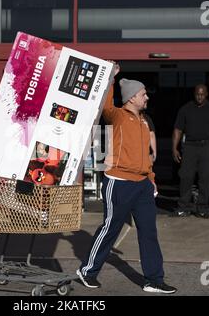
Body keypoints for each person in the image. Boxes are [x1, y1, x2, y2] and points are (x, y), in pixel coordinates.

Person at [76, 63, 177, 294]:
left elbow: (145, 156)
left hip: (142, 184)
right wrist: (111, 78)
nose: (147, 97)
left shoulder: (143, 121)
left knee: (149, 231)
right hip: (118, 182)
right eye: (143, 94)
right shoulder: (118, 116)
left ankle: (153, 280)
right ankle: (88, 270)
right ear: (132, 97)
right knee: (111, 228)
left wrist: (150, 178)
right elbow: (105, 104)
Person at [171, 84, 209, 219]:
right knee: (186, 176)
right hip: (190, 146)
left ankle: (202, 208)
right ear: (194, 94)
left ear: (206, 94)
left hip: (208, 146)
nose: (199, 97)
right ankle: (183, 207)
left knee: (206, 177)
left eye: (202, 94)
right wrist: (174, 148)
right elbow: (178, 130)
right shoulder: (185, 109)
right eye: (197, 94)